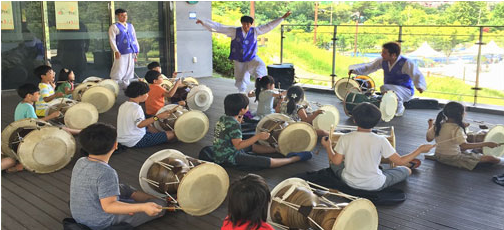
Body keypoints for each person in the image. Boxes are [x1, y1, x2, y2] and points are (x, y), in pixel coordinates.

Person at [70, 123, 166, 229]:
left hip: (80, 213)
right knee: (161, 205)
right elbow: (109, 206)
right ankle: (154, 201)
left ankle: (141, 202)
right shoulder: (106, 172)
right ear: (115, 145)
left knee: (123, 188)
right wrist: (143, 207)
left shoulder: (81, 161)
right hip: (99, 221)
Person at [321, 102, 435, 191]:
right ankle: (406, 165)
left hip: (349, 182)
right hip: (374, 185)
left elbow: (336, 161)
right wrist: (420, 149)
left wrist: (328, 146)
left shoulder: (345, 137)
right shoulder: (381, 140)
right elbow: (400, 161)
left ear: (354, 120)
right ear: (377, 122)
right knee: (406, 170)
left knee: (335, 166)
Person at [204, 93, 311, 169]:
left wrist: (239, 120)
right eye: (247, 106)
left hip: (219, 152)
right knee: (265, 161)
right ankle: (294, 158)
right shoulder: (234, 124)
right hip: (229, 157)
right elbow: (238, 146)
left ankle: (279, 150)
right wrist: (258, 137)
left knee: (252, 146)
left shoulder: (223, 118)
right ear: (242, 109)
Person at [196, 11, 292, 93]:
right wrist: (204, 22)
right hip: (239, 59)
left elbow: (269, 26)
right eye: (244, 24)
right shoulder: (234, 31)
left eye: (248, 24)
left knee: (260, 64)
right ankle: (241, 92)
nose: (246, 26)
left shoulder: (255, 31)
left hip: (251, 57)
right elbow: (219, 27)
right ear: (241, 23)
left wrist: (282, 18)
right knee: (240, 78)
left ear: (251, 24)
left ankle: (260, 81)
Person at [348, 42, 427, 116]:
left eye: (384, 53)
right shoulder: (382, 61)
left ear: (393, 55)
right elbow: (369, 67)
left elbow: (417, 74)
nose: (382, 54)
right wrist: (355, 70)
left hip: (406, 91)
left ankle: (399, 106)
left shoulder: (406, 63)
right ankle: (393, 106)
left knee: (385, 87)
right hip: (390, 88)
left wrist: (420, 86)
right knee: (385, 89)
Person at [426, 101, 504, 170]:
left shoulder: (438, 125)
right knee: (490, 158)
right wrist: (486, 144)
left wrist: (430, 125)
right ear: (460, 114)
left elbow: (428, 139)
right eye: (464, 112)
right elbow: (464, 146)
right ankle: (501, 161)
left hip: (439, 156)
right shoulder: (456, 129)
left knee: (476, 151)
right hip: (452, 158)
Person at [117, 81, 176, 148]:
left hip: (122, 139)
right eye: (146, 93)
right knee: (172, 134)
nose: (148, 95)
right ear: (139, 95)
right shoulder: (136, 108)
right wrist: (158, 117)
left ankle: (160, 136)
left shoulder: (123, 105)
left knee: (151, 127)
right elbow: (140, 125)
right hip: (136, 141)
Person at [14, 83, 80, 135]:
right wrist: (52, 116)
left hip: (21, 130)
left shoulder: (21, 104)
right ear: (29, 96)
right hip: (28, 131)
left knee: (52, 123)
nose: (40, 95)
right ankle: (79, 132)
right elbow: (35, 122)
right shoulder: (28, 107)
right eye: (38, 93)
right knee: (59, 128)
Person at [109, 8, 139, 89]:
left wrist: (137, 49)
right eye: (122, 15)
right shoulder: (114, 26)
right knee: (119, 67)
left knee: (129, 67)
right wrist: (116, 50)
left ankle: (126, 85)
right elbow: (112, 40)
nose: (124, 17)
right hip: (121, 51)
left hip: (131, 50)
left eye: (125, 15)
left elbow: (134, 38)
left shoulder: (130, 26)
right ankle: (114, 85)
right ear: (117, 16)